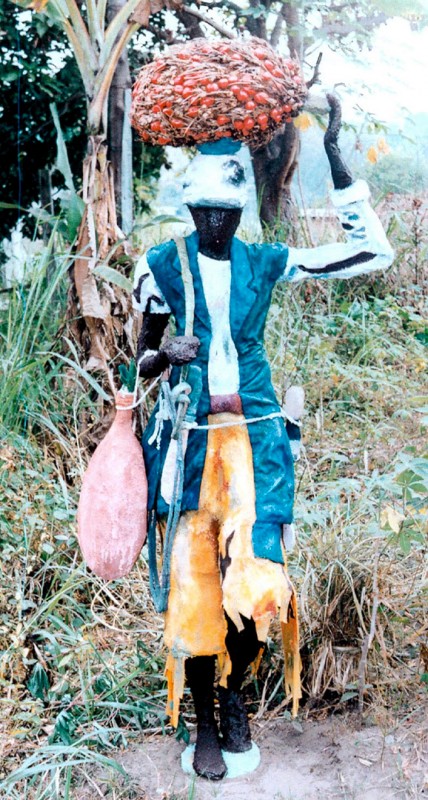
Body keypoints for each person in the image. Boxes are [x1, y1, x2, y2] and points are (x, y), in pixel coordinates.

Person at [132, 95, 394, 780]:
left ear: (241, 212)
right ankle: (202, 722)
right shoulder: (160, 265)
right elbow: (139, 363)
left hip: (255, 440)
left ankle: (232, 695)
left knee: (258, 580)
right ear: (189, 211)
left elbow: (372, 251)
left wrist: (335, 152)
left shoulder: (263, 262)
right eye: (204, 213)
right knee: (193, 582)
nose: (215, 224)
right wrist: (166, 358)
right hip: (189, 446)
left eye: (227, 213)